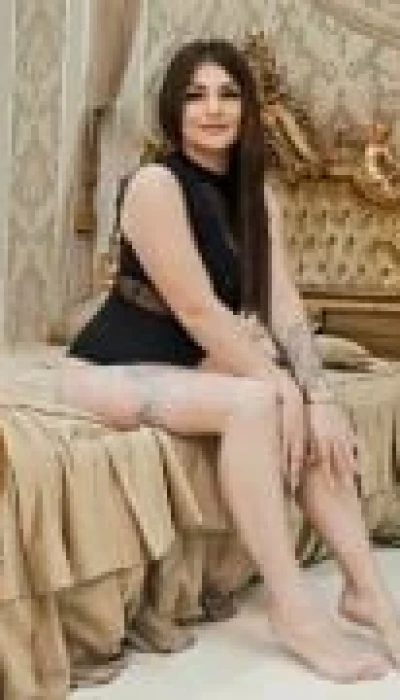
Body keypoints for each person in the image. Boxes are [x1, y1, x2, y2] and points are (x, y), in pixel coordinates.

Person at [62, 39, 400, 682]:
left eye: (228, 94)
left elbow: (284, 304)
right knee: (257, 401)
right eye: (196, 96)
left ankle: (369, 595)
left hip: (190, 367)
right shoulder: (155, 185)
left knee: (304, 408)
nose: (213, 109)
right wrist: (280, 385)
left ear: (247, 107)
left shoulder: (257, 197)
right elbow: (197, 311)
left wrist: (319, 395)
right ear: (174, 109)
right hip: (107, 370)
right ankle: (293, 609)